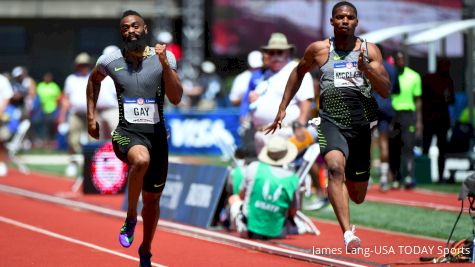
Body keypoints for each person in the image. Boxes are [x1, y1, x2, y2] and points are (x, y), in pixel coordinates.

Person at [264, 1, 390, 251]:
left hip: (360, 125)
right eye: (340, 17)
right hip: (330, 121)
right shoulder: (319, 50)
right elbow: (298, 73)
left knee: (358, 195)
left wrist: (366, 68)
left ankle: (350, 197)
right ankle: (347, 234)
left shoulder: (370, 50)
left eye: (350, 17)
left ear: (356, 22)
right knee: (333, 168)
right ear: (331, 21)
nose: (345, 21)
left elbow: (385, 90)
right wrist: (283, 107)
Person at [86, 10, 183, 267]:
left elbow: (176, 97)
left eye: (135, 26)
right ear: (121, 33)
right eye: (125, 28)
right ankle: (130, 216)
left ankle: (146, 250)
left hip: (158, 138)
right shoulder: (110, 60)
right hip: (126, 134)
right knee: (140, 160)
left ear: (145, 29)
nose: (130, 31)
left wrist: (164, 65)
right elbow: (93, 81)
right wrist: (91, 116)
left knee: (152, 203)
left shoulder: (165, 57)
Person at [250, 32, 314, 154]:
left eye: (279, 52)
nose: (275, 56)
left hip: (285, 133)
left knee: (282, 171)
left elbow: (306, 101)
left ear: (288, 53)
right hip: (263, 134)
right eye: (271, 52)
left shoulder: (297, 70)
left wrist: (300, 125)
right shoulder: (267, 74)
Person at [228, 136, 299, 239]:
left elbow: (241, 195)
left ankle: (235, 228)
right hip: (278, 230)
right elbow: (293, 211)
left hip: (249, 226)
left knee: (234, 199)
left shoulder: (254, 167)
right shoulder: (293, 178)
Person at [390, 50, 422, 189]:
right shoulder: (390, 74)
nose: (400, 61)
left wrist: (419, 120)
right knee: (394, 146)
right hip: (393, 113)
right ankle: (396, 177)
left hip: (408, 114)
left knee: (408, 146)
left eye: (403, 59)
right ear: (395, 61)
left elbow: (418, 99)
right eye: (398, 59)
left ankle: (409, 176)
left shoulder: (414, 76)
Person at [58, 52, 93, 177]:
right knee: (73, 140)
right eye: (81, 65)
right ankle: (72, 163)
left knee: (92, 141)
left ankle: (90, 167)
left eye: (85, 64)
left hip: (91, 114)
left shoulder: (94, 77)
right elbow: (65, 99)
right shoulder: (71, 79)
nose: (83, 67)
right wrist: (62, 117)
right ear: (77, 66)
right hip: (75, 113)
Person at [421, 58, 455, 183]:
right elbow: (422, 96)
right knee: (426, 148)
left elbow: (452, 100)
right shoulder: (429, 78)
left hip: (441, 121)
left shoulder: (448, 81)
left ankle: (440, 177)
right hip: (430, 119)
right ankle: (424, 175)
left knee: (442, 150)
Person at [372, 44, 399, 192]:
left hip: (372, 105)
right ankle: (383, 178)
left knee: (368, 141)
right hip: (387, 106)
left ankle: (367, 177)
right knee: (384, 142)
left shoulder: (369, 66)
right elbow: (396, 89)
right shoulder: (392, 68)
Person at [35, 72, 62, 148]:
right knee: (43, 127)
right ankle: (44, 142)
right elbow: (36, 97)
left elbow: (59, 98)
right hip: (41, 110)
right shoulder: (40, 86)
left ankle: (51, 142)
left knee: (51, 127)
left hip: (52, 109)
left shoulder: (54, 86)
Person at [0, 73, 14, 176]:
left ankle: (2, 163)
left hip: (0, 116)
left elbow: (7, 96)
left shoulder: (2, 80)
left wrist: (1, 110)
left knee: (1, 140)